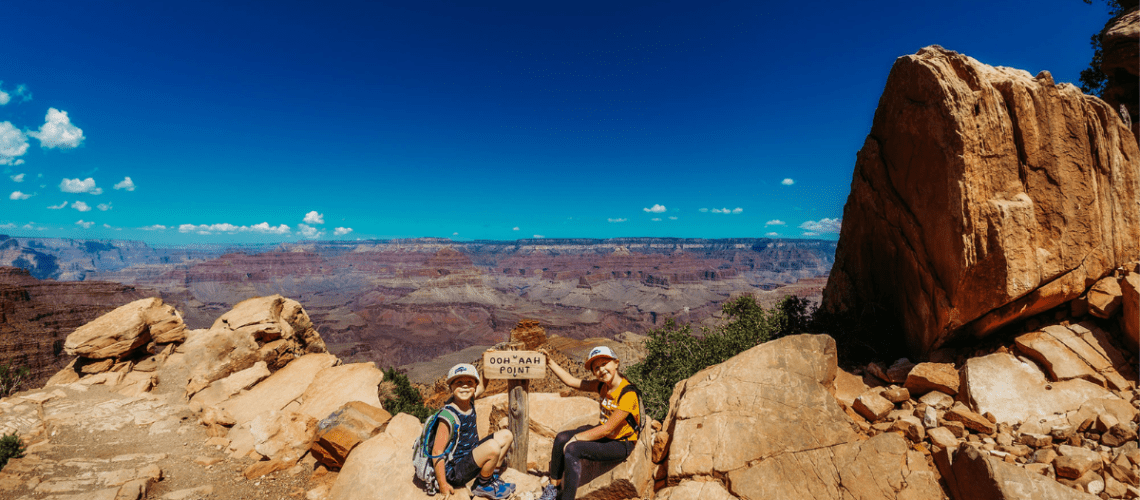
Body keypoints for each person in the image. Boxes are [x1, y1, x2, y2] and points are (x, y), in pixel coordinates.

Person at [537, 346, 640, 500]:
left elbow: (608, 428)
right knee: (560, 438)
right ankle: (554, 489)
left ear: (616, 363)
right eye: (596, 368)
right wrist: (550, 362)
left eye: (605, 364)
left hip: (621, 443)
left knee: (572, 449)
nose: (601, 370)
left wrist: (577, 438)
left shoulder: (628, 394)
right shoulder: (602, 386)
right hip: (606, 435)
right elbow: (572, 382)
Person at [432, 363, 516, 499]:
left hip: (471, 456)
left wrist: (487, 362)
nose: (465, 386)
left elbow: (483, 386)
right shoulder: (448, 416)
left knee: (507, 435)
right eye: (459, 382)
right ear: (450, 387)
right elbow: (437, 451)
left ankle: (490, 477)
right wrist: (443, 484)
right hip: (455, 471)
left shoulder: (470, 400)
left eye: (470, 382)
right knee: (493, 447)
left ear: (474, 386)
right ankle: (483, 485)